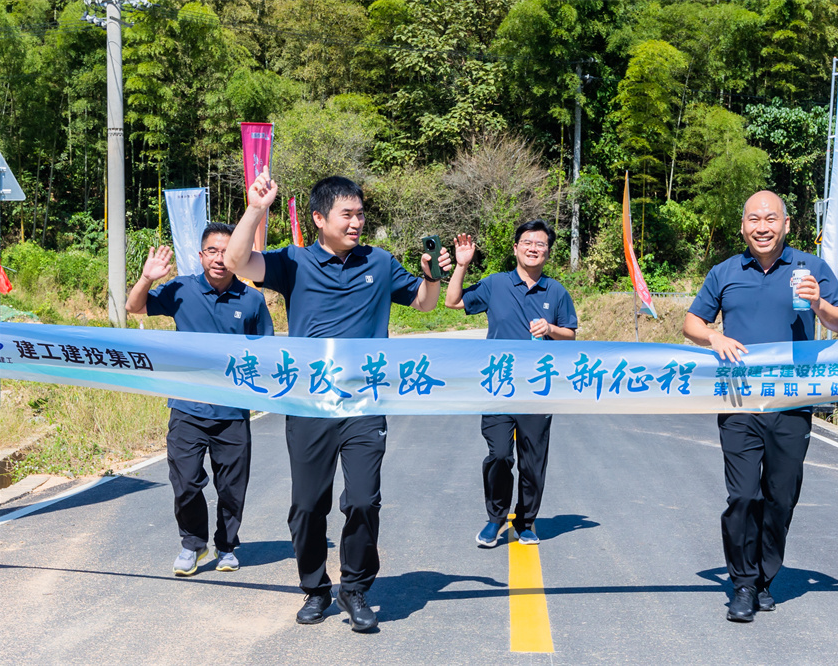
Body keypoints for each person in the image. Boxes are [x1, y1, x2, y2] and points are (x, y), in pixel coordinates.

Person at [224, 168, 451, 631]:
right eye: (347, 214)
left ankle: (354, 587)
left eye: (360, 214)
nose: (356, 223)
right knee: (308, 505)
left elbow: (425, 303)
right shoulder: (294, 262)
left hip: (365, 404)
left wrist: (430, 277)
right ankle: (315, 588)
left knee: (364, 500)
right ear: (319, 218)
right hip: (310, 404)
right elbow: (237, 261)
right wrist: (255, 209)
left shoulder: (380, 263)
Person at [682, 190, 838, 622]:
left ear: (786, 224)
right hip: (738, 401)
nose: (762, 227)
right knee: (742, 496)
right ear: (743, 227)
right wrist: (713, 336)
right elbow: (691, 322)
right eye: (754, 219)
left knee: (780, 497)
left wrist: (818, 303)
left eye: (770, 218)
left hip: (792, 402)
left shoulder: (810, 268)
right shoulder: (724, 272)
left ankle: (764, 579)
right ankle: (742, 584)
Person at [125, 223, 274, 576]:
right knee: (186, 481)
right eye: (212, 251)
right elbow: (135, 307)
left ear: (237, 255)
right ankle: (193, 544)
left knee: (232, 487)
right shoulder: (181, 289)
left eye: (226, 252)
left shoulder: (251, 299)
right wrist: (146, 278)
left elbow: (266, 351)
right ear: (201, 255)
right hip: (186, 406)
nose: (219, 259)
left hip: (232, 410)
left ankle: (226, 546)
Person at [445, 221, 577, 547]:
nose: (534, 248)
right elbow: (453, 301)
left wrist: (550, 329)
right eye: (527, 242)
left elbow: (570, 334)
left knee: (533, 461)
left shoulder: (556, 292)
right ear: (516, 248)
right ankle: (495, 519)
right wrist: (462, 266)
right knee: (500, 454)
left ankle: (526, 522)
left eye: (541, 244)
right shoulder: (495, 284)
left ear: (548, 252)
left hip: (538, 389)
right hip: (499, 386)